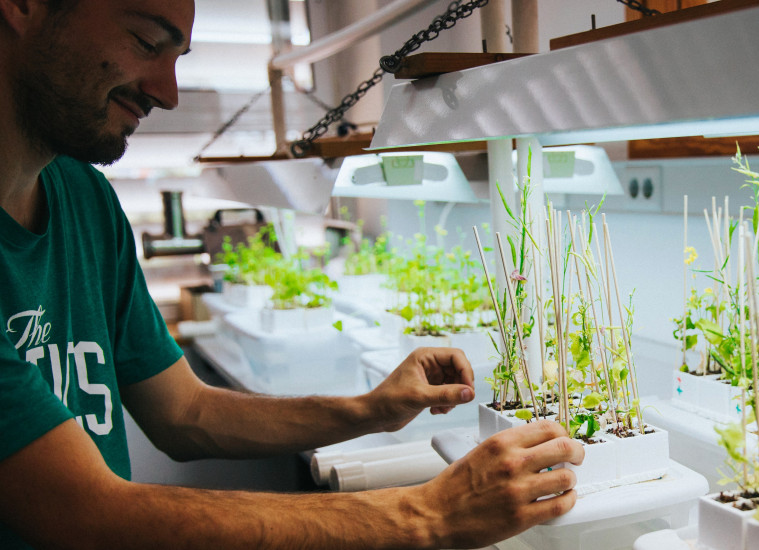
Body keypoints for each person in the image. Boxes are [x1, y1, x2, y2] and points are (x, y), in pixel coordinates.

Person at [0, 0, 582, 548]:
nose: (168, 93)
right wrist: (425, 515)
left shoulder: (85, 198)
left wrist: (371, 408)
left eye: (177, 61)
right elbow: (83, 513)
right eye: (146, 41)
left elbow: (186, 413)